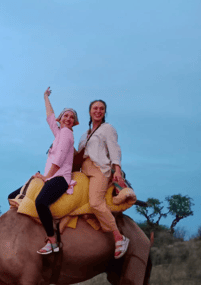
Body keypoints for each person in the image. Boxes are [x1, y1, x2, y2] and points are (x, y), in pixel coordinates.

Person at [8, 87, 78, 255]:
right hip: (50, 177)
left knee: (40, 202)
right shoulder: (59, 133)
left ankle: (52, 241)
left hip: (59, 179)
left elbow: (59, 159)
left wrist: (46, 177)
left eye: (72, 117)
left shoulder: (67, 134)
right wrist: (45, 96)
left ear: (74, 123)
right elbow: (50, 117)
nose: (68, 119)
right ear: (61, 119)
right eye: (66, 115)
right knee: (13, 196)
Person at [77, 99, 129, 259]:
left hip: (99, 169)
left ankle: (119, 236)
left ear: (104, 112)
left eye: (101, 108)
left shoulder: (107, 129)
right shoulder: (85, 134)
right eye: (95, 108)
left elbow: (114, 148)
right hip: (83, 170)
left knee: (95, 203)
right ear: (89, 111)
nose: (98, 111)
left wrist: (117, 169)